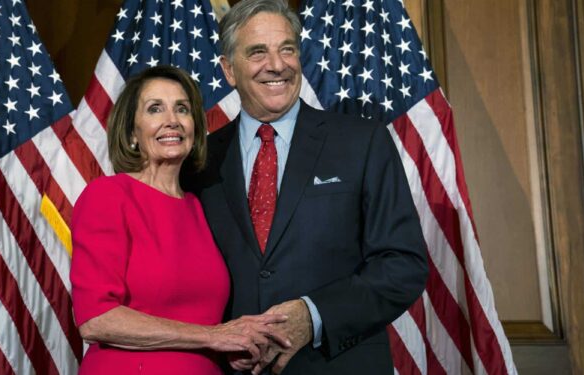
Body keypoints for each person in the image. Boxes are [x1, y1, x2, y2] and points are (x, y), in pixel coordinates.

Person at [183, 0, 429, 373]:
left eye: (287, 49)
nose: (277, 65)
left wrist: (313, 315)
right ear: (229, 71)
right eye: (258, 52)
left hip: (337, 363)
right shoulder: (201, 161)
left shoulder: (362, 142)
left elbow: (403, 264)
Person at [70, 66, 291, 375]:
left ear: (194, 128)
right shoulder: (108, 196)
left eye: (182, 109)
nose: (171, 120)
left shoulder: (199, 207)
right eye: (155, 109)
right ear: (132, 132)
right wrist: (213, 336)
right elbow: (96, 319)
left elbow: (202, 320)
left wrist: (231, 349)